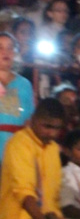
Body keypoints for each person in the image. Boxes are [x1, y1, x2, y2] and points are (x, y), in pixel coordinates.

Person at [0, 32, 35, 162]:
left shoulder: (24, 84)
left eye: (10, 48)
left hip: (16, 146)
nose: (6, 52)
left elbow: (29, 118)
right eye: (0, 48)